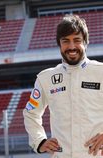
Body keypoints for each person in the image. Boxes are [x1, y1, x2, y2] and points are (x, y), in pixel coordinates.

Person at [23, 14, 103, 158]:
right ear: (59, 44)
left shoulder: (101, 72)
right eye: (65, 41)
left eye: (77, 40)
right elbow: (31, 113)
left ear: (86, 42)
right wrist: (40, 141)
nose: (71, 47)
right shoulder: (45, 78)